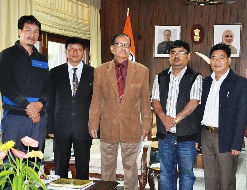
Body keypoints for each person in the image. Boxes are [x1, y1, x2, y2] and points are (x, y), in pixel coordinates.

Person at [88, 33, 151, 190]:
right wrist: (93, 123)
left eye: (126, 45)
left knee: (131, 170)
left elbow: (145, 100)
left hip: (132, 127)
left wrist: (146, 124)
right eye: (119, 44)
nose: (123, 48)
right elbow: (96, 99)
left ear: (130, 49)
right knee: (107, 170)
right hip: (108, 128)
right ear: (112, 48)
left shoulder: (142, 71)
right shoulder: (101, 71)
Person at [152, 40, 202, 190]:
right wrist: (163, 118)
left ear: (188, 56)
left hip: (186, 137)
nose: (176, 56)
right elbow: (155, 100)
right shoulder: (160, 77)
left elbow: (194, 102)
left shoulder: (195, 77)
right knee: (166, 173)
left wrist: (174, 120)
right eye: (173, 52)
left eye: (181, 52)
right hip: (165, 136)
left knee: (187, 174)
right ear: (169, 56)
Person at [199, 43, 247, 190]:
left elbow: (242, 115)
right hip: (206, 135)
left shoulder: (240, 83)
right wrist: (197, 138)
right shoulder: (205, 82)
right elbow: (200, 112)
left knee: (227, 180)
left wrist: (237, 142)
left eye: (221, 58)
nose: (217, 61)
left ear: (229, 60)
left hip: (227, 137)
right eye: (214, 58)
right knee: (210, 179)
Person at [0, 15, 51, 152]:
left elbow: (48, 85)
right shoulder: (7, 55)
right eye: (28, 30)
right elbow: (5, 85)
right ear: (19, 32)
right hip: (15, 117)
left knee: (33, 164)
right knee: (11, 165)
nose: (32, 34)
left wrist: (39, 104)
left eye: (36, 31)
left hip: (39, 118)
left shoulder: (42, 58)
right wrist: (28, 106)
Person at [47, 37, 94, 179]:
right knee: (60, 169)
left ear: (84, 53)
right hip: (61, 127)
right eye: (72, 49)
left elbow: (96, 103)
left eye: (79, 49)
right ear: (66, 51)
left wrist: (95, 126)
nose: (75, 52)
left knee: (83, 169)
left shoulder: (93, 73)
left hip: (84, 128)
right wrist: (50, 128)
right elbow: (51, 101)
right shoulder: (55, 72)